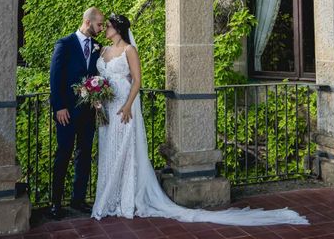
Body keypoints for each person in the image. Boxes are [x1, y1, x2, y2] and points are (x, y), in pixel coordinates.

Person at [92, 13, 308, 226]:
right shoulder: (103, 50)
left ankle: (126, 199)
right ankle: (110, 195)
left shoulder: (130, 50)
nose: (105, 29)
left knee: (125, 152)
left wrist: (129, 104)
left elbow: (137, 81)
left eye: (108, 25)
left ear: (118, 29)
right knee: (109, 151)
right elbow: (102, 78)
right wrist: (96, 97)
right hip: (107, 109)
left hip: (125, 108)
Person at [48, 7, 104, 219]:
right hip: (67, 112)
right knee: (63, 155)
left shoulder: (98, 47)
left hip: (88, 113)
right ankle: (55, 203)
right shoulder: (65, 44)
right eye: (99, 24)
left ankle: (78, 200)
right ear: (88, 22)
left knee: (84, 156)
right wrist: (59, 107)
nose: (101, 28)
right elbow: (55, 78)